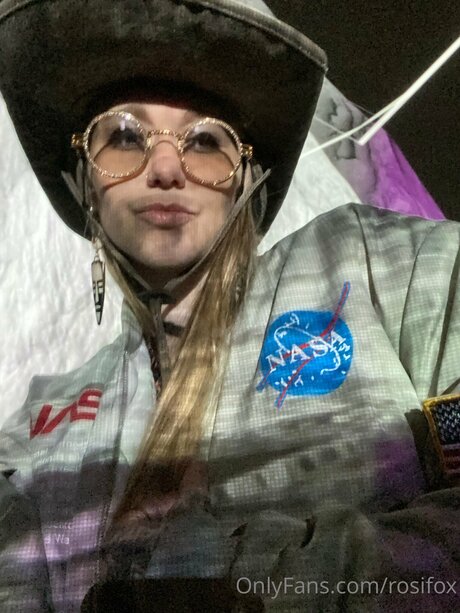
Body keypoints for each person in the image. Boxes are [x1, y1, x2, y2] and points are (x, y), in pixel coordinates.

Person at [0, 0, 459, 611]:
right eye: (125, 136)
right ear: (84, 181)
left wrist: (257, 585)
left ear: (246, 178)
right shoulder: (44, 422)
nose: (166, 166)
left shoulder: (376, 264)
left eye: (206, 141)